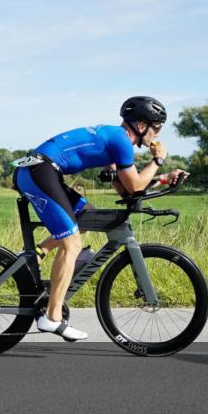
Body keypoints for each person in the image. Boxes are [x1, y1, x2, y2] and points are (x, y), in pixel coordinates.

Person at [13, 96, 187, 341]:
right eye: (156, 128)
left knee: (87, 215)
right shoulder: (121, 141)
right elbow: (136, 187)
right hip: (39, 172)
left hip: (41, 170)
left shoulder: (116, 141)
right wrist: (158, 161)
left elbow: (126, 189)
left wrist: (163, 178)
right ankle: (51, 318)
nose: (156, 135)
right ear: (141, 126)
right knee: (71, 244)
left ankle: (39, 253)